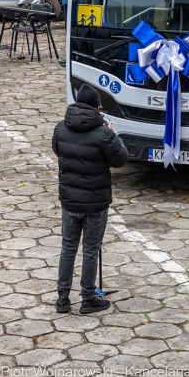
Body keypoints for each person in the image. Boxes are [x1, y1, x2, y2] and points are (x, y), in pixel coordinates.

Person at [51, 84, 128, 315]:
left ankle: (62, 300)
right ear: (97, 106)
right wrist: (113, 135)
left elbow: (58, 151)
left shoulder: (60, 128)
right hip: (95, 202)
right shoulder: (104, 133)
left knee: (68, 249)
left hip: (70, 201)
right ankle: (88, 299)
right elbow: (120, 160)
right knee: (91, 250)